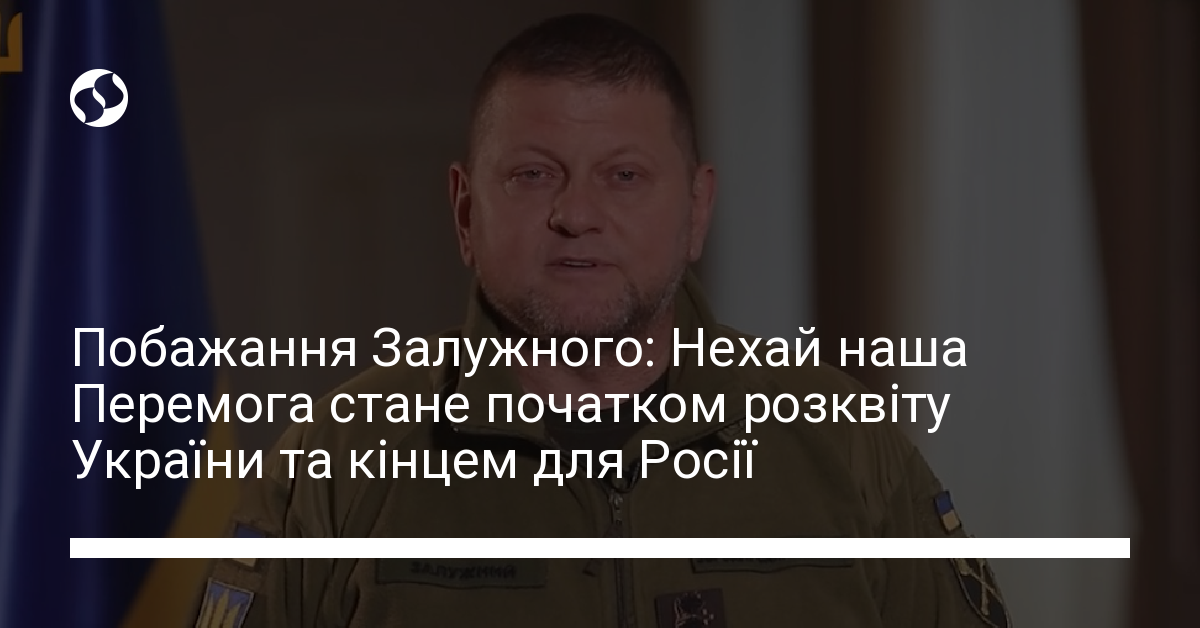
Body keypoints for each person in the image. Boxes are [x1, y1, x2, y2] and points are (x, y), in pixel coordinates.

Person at [194, 13, 1009, 628]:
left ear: (696, 210)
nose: (577, 214)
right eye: (532, 175)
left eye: (624, 176)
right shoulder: (336, 467)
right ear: (465, 211)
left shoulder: (848, 451)